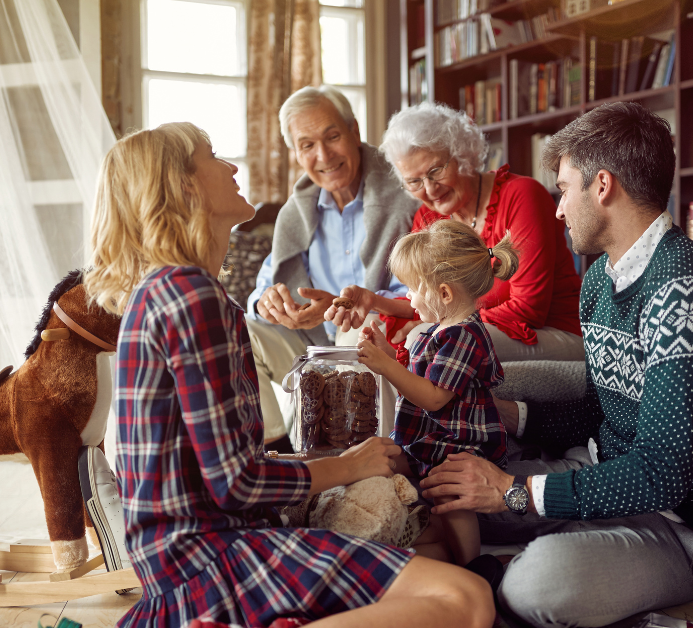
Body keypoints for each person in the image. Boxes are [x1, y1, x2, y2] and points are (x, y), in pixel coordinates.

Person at [83, 122, 494, 628]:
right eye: (213, 156)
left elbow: (223, 469)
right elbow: (236, 483)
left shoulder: (170, 289)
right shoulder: (189, 293)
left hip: (191, 555)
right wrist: (348, 465)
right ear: (184, 185)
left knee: (434, 572)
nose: (232, 166)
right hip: (206, 563)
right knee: (467, 601)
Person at [418, 102, 693, 627]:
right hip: (596, 471)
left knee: (538, 583)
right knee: (446, 503)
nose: (557, 209)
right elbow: (599, 411)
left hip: (677, 525)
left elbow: (663, 475)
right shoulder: (600, 279)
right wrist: (503, 412)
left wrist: (511, 492)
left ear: (602, 186)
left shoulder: (686, 288)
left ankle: (528, 566)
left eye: (563, 189)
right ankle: (531, 558)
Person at [326, 101, 583, 364]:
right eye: (414, 181)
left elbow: (528, 310)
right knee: (364, 332)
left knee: (423, 341)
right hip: (476, 326)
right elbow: (426, 300)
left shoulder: (522, 196)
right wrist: (373, 301)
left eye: (435, 171)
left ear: (461, 154)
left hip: (549, 333)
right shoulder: (428, 217)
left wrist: (435, 328)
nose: (429, 188)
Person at [246, 85, 419, 453]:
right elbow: (266, 283)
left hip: (375, 332)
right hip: (311, 344)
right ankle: (280, 453)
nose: (323, 155)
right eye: (307, 145)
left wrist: (347, 308)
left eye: (332, 136)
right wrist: (266, 302)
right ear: (296, 153)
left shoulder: (403, 194)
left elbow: (423, 289)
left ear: (355, 132)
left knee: (358, 335)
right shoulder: (298, 210)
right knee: (238, 330)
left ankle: (372, 461)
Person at [355, 220, 518, 567]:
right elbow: (418, 376)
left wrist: (387, 368)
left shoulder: (464, 335)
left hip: (456, 443)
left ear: (444, 293)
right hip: (428, 437)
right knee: (380, 461)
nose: (409, 298)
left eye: (412, 288)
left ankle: (473, 565)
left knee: (451, 494)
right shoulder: (438, 330)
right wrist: (387, 354)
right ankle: (419, 538)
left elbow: (433, 397)